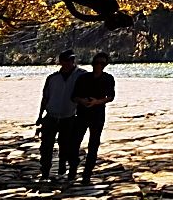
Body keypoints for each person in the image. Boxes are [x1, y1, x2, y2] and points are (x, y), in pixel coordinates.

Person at [37, 51, 86, 185]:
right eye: (65, 60)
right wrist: (40, 116)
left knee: (68, 145)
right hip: (51, 115)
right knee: (46, 145)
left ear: (73, 61)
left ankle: (66, 168)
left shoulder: (82, 75)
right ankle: (45, 171)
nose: (67, 63)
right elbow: (45, 97)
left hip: (71, 116)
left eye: (70, 60)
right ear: (60, 61)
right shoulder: (53, 78)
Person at [74, 52, 116, 183]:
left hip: (97, 115)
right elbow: (74, 96)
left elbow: (110, 97)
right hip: (82, 113)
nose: (99, 66)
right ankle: (73, 168)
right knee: (74, 143)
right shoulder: (83, 78)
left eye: (102, 63)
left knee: (93, 145)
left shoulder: (108, 78)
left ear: (105, 65)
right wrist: (82, 101)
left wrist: (97, 102)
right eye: (97, 63)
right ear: (93, 63)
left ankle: (87, 175)